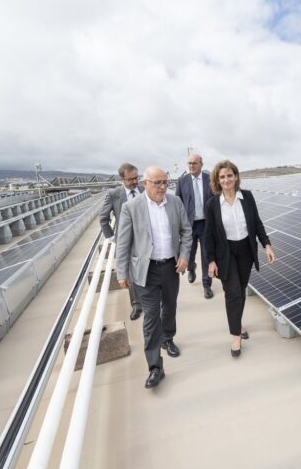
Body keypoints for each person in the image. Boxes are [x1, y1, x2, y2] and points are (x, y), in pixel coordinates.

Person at [115, 166, 192, 388]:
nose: (161, 187)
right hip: (145, 271)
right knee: (150, 316)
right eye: (156, 183)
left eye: (164, 183)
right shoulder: (131, 207)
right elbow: (124, 243)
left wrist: (185, 256)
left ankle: (168, 338)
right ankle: (155, 367)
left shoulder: (175, 203)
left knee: (169, 306)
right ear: (144, 183)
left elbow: (186, 232)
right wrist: (122, 273)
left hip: (170, 267)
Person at [204, 160, 275, 358]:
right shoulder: (212, 204)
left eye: (229, 175)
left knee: (240, 290)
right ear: (217, 180)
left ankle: (238, 322)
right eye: (222, 177)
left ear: (236, 177)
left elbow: (257, 223)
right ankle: (235, 336)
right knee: (233, 292)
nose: (226, 180)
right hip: (225, 253)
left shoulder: (247, 197)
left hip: (246, 251)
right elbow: (208, 235)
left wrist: (266, 245)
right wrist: (210, 260)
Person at [99, 162, 143, 320]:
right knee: (131, 274)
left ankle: (153, 299)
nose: (134, 182)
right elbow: (103, 218)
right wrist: (112, 237)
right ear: (122, 179)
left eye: (136, 178)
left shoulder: (145, 190)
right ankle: (136, 305)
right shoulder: (114, 194)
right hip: (128, 241)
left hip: (147, 240)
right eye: (130, 179)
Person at [175, 153, 214, 299]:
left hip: (206, 224)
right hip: (188, 226)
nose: (191, 166)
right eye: (189, 163)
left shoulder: (209, 179)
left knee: (206, 255)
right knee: (188, 255)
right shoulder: (182, 181)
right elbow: (177, 204)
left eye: (194, 163)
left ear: (201, 165)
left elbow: (215, 200)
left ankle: (206, 285)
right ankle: (191, 268)